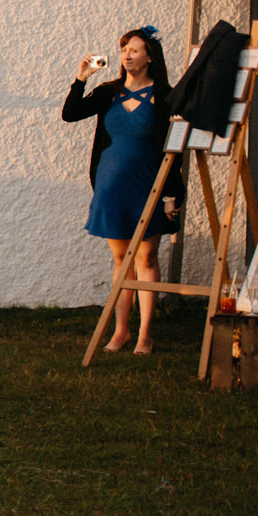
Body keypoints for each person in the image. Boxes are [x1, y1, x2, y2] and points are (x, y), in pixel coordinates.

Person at [62, 27, 183, 355]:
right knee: (120, 258)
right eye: (124, 49)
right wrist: (81, 78)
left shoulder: (164, 96)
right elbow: (70, 114)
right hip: (112, 186)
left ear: (150, 56)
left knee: (146, 256)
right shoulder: (108, 92)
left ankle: (145, 334)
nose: (127, 55)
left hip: (148, 185)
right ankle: (120, 331)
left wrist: (172, 194)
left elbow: (175, 148)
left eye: (135, 50)